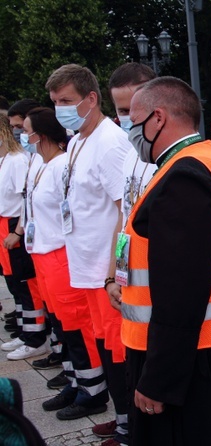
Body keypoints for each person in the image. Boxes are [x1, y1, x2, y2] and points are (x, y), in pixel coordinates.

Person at [122, 76, 211, 445]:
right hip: (206, 348)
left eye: (132, 120)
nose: (129, 130)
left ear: (159, 118)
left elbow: (181, 288)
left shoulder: (184, 173)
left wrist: (160, 378)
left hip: (186, 357)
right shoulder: (206, 162)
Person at [46, 63, 129, 422]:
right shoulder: (79, 139)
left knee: (118, 352)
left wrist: (115, 275)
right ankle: (120, 415)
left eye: (66, 100)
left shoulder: (110, 143)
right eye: (54, 102)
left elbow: (124, 213)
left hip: (104, 274)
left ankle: (130, 425)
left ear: (91, 99)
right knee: (100, 347)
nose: (59, 109)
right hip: (84, 266)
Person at [20, 107, 110, 420]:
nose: (24, 136)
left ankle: (93, 391)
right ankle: (76, 380)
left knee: (77, 325)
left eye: (27, 131)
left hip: (61, 254)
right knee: (62, 325)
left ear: (41, 135)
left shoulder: (60, 165)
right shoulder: (41, 164)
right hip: (42, 253)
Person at [100, 61, 157, 446]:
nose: (125, 120)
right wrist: (113, 277)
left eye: (130, 110)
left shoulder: (172, 161)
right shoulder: (131, 156)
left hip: (159, 290)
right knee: (135, 369)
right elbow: (124, 221)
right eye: (119, 111)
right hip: (131, 285)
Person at [0, 114, 48, 361]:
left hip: (13, 225)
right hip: (5, 224)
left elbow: (23, 200)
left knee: (27, 284)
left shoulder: (18, 160)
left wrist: (16, 231)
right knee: (15, 284)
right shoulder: (6, 159)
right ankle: (24, 330)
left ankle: (35, 336)